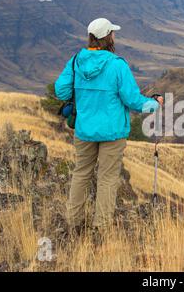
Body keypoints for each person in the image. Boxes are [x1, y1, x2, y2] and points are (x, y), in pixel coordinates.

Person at [55, 18, 164, 233]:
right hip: (112, 133)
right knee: (107, 178)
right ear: (108, 37)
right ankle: (101, 228)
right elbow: (133, 100)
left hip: (84, 130)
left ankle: (73, 222)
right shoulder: (117, 65)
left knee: (81, 173)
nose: (114, 36)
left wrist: (83, 95)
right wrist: (154, 104)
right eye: (112, 33)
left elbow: (62, 91)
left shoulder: (77, 60)